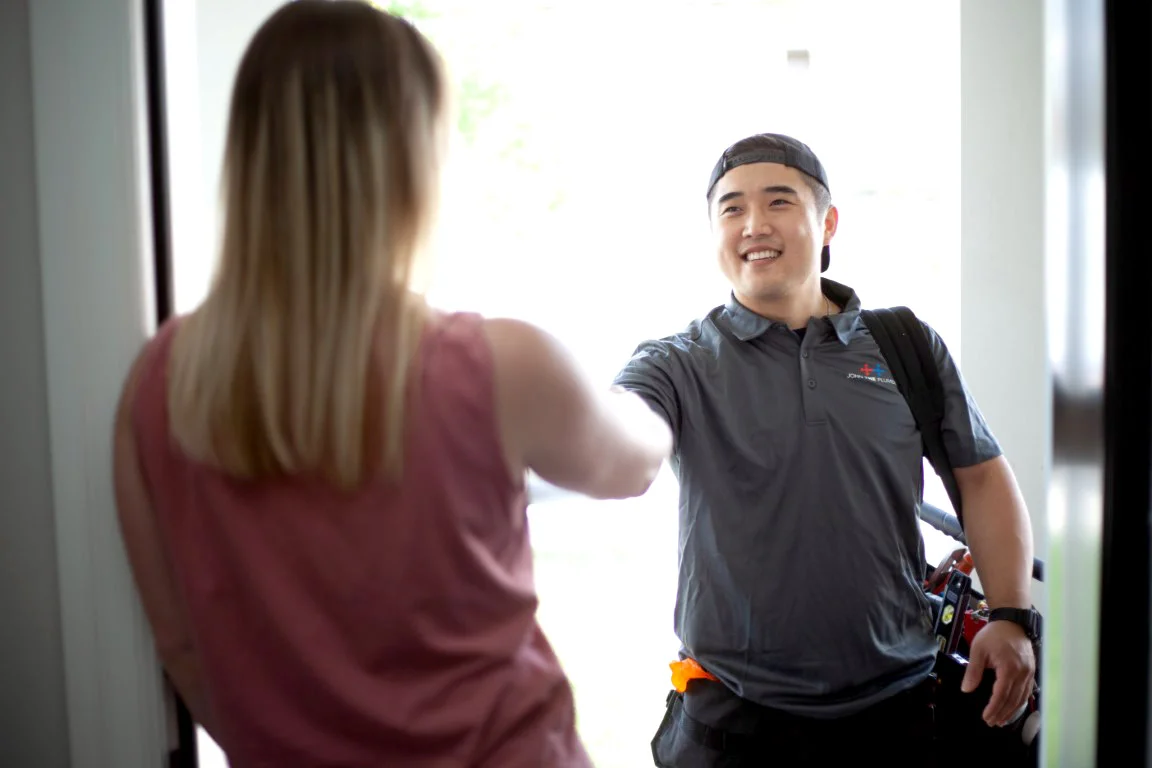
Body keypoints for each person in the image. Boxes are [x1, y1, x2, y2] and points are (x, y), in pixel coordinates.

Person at [110, 2, 672, 766]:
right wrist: (654, 394)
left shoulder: (158, 386)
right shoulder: (499, 366)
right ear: (410, 166)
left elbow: (181, 648)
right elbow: (634, 463)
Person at [613, 133, 1038, 767]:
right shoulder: (677, 363)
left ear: (828, 221)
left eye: (778, 201)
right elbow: (625, 426)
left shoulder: (904, 345)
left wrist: (1010, 615)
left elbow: (978, 475)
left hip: (898, 710)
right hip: (734, 720)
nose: (754, 224)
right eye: (731, 209)